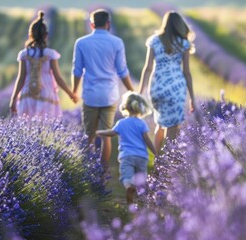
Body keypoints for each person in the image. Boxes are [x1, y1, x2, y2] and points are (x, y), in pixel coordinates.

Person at [72, 9, 134, 169]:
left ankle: (88, 172)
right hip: (109, 95)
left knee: (89, 135)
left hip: (90, 95)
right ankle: (103, 173)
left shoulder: (81, 42)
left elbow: (77, 71)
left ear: (92, 24)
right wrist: (131, 91)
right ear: (108, 24)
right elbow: (122, 71)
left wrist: (74, 91)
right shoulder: (117, 42)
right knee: (106, 135)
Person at [139, 11, 196, 153]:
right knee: (173, 127)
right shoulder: (183, 43)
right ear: (179, 25)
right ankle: (168, 165)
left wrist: (140, 92)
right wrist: (192, 98)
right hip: (176, 87)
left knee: (159, 123)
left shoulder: (154, 40)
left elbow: (147, 68)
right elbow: (187, 73)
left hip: (157, 86)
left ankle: (158, 161)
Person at [10, 11, 78, 117]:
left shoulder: (24, 54)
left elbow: (21, 78)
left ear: (30, 35)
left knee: (27, 127)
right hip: (46, 93)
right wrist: (71, 94)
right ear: (46, 35)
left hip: (27, 93)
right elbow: (58, 78)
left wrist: (13, 99)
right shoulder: (50, 54)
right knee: (46, 126)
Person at [96, 91, 157, 205]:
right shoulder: (141, 123)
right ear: (140, 107)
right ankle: (142, 200)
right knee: (141, 178)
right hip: (141, 156)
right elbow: (147, 140)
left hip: (127, 156)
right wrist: (155, 153)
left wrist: (100, 132)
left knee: (126, 177)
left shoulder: (121, 123)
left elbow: (112, 133)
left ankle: (129, 187)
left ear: (125, 107)